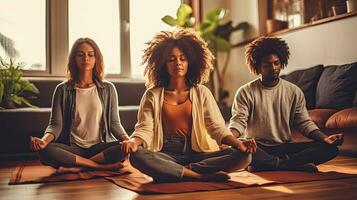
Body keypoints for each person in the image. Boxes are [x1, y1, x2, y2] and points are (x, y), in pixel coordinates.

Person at [121, 29, 256, 182]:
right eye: (171, 59)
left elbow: (216, 128)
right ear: (163, 64)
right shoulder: (153, 94)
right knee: (137, 156)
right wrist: (133, 142)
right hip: (166, 152)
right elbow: (144, 129)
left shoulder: (202, 92)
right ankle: (200, 176)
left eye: (182, 58)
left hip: (197, 152)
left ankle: (178, 172)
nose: (177, 62)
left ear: (190, 62)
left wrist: (239, 144)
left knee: (244, 156)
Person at [229, 36, 344, 172]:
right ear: (258, 67)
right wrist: (228, 139)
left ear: (281, 62)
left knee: (330, 149)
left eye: (276, 63)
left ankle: (273, 164)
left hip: (284, 147)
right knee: (237, 147)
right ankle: (291, 165)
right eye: (267, 65)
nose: (273, 68)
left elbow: (304, 123)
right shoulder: (245, 92)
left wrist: (326, 139)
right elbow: (238, 122)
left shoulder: (294, 91)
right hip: (256, 146)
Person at [29, 38, 129, 173]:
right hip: (73, 148)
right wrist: (43, 141)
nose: (85, 58)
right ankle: (99, 166)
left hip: (99, 147)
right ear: (74, 59)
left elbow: (114, 123)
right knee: (45, 151)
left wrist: (129, 141)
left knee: (123, 148)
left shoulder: (108, 88)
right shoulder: (62, 89)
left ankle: (78, 166)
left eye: (90, 54)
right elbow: (55, 125)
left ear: (96, 59)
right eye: (80, 54)